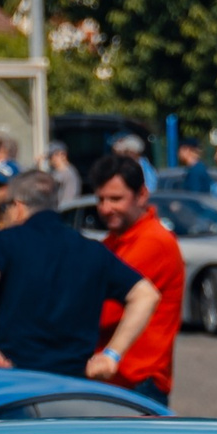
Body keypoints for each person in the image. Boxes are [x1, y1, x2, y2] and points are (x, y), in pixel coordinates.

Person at [0, 167, 156, 380]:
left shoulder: (4, 241)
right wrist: (112, 354)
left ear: (18, 207)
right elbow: (146, 294)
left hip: (12, 375)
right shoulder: (91, 250)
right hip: (72, 382)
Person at [89, 157, 183, 404]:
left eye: (116, 199)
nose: (106, 208)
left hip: (137, 379)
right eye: (100, 199)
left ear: (142, 195)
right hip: (115, 377)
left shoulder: (154, 242)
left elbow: (104, 311)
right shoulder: (115, 240)